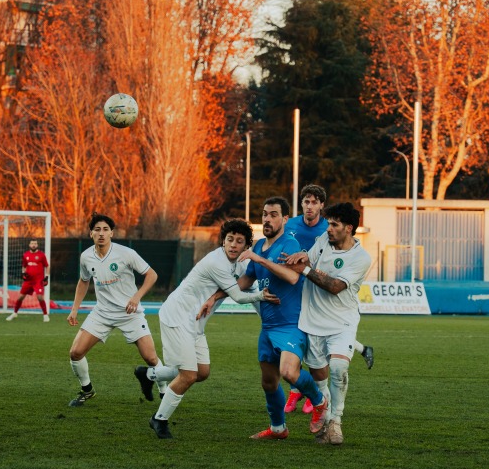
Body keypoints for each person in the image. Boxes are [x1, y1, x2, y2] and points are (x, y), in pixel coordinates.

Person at [201, 197, 328, 440]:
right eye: (264, 214)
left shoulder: (290, 244)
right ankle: (278, 429)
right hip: (268, 326)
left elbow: (292, 277)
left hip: (291, 325)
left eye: (273, 215)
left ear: (285, 219)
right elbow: (244, 282)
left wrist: (259, 259)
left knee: (289, 372)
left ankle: (320, 401)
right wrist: (214, 297)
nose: (267, 219)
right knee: (269, 382)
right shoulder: (259, 245)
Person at [143, 219, 276, 439]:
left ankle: (149, 374)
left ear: (246, 246)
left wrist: (268, 318)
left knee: (201, 373)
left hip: (195, 322)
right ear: (223, 241)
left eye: (239, 241)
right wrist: (262, 296)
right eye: (229, 239)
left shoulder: (241, 263)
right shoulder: (216, 262)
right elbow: (238, 296)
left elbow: (250, 285)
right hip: (177, 316)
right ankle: (159, 419)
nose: (233, 244)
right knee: (188, 375)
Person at [282, 185, 374, 415]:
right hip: (313, 316)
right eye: (329, 224)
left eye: (334, 225)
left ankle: (336, 420)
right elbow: (310, 257)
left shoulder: (361, 257)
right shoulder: (322, 237)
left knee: (338, 367)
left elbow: (334, 286)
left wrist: (304, 270)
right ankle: (323, 409)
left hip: (342, 319)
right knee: (318, 374)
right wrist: (301, 256)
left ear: (349, 228)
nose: (329, 229)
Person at [65, 213, 166, 408]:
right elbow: (83, 281)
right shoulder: (86, 256)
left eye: (105, 230)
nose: (101, 233)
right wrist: (74, 309)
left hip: (130, 313)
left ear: (112, 233)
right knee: (75, 353)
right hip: (102, 313)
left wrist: (136, 297)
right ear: (91, 233)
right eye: (97, 230)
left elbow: (152, 275)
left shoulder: (126, 253)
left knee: (151, 357)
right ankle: (87, 390)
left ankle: (164, 390)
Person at [6, 239, 50, 322]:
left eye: (35, 243)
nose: (33, 245)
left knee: (40, 297)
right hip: (28, 281)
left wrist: (47, 276)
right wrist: (23, 273)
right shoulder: (26, 255)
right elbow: (24, 266)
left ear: (37, 245)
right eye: (32, 243)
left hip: (38, 281)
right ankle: (15, 313)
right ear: (29, 245)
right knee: (20, 297)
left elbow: (47, 266)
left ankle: (45, 315)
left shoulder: (41, 255)